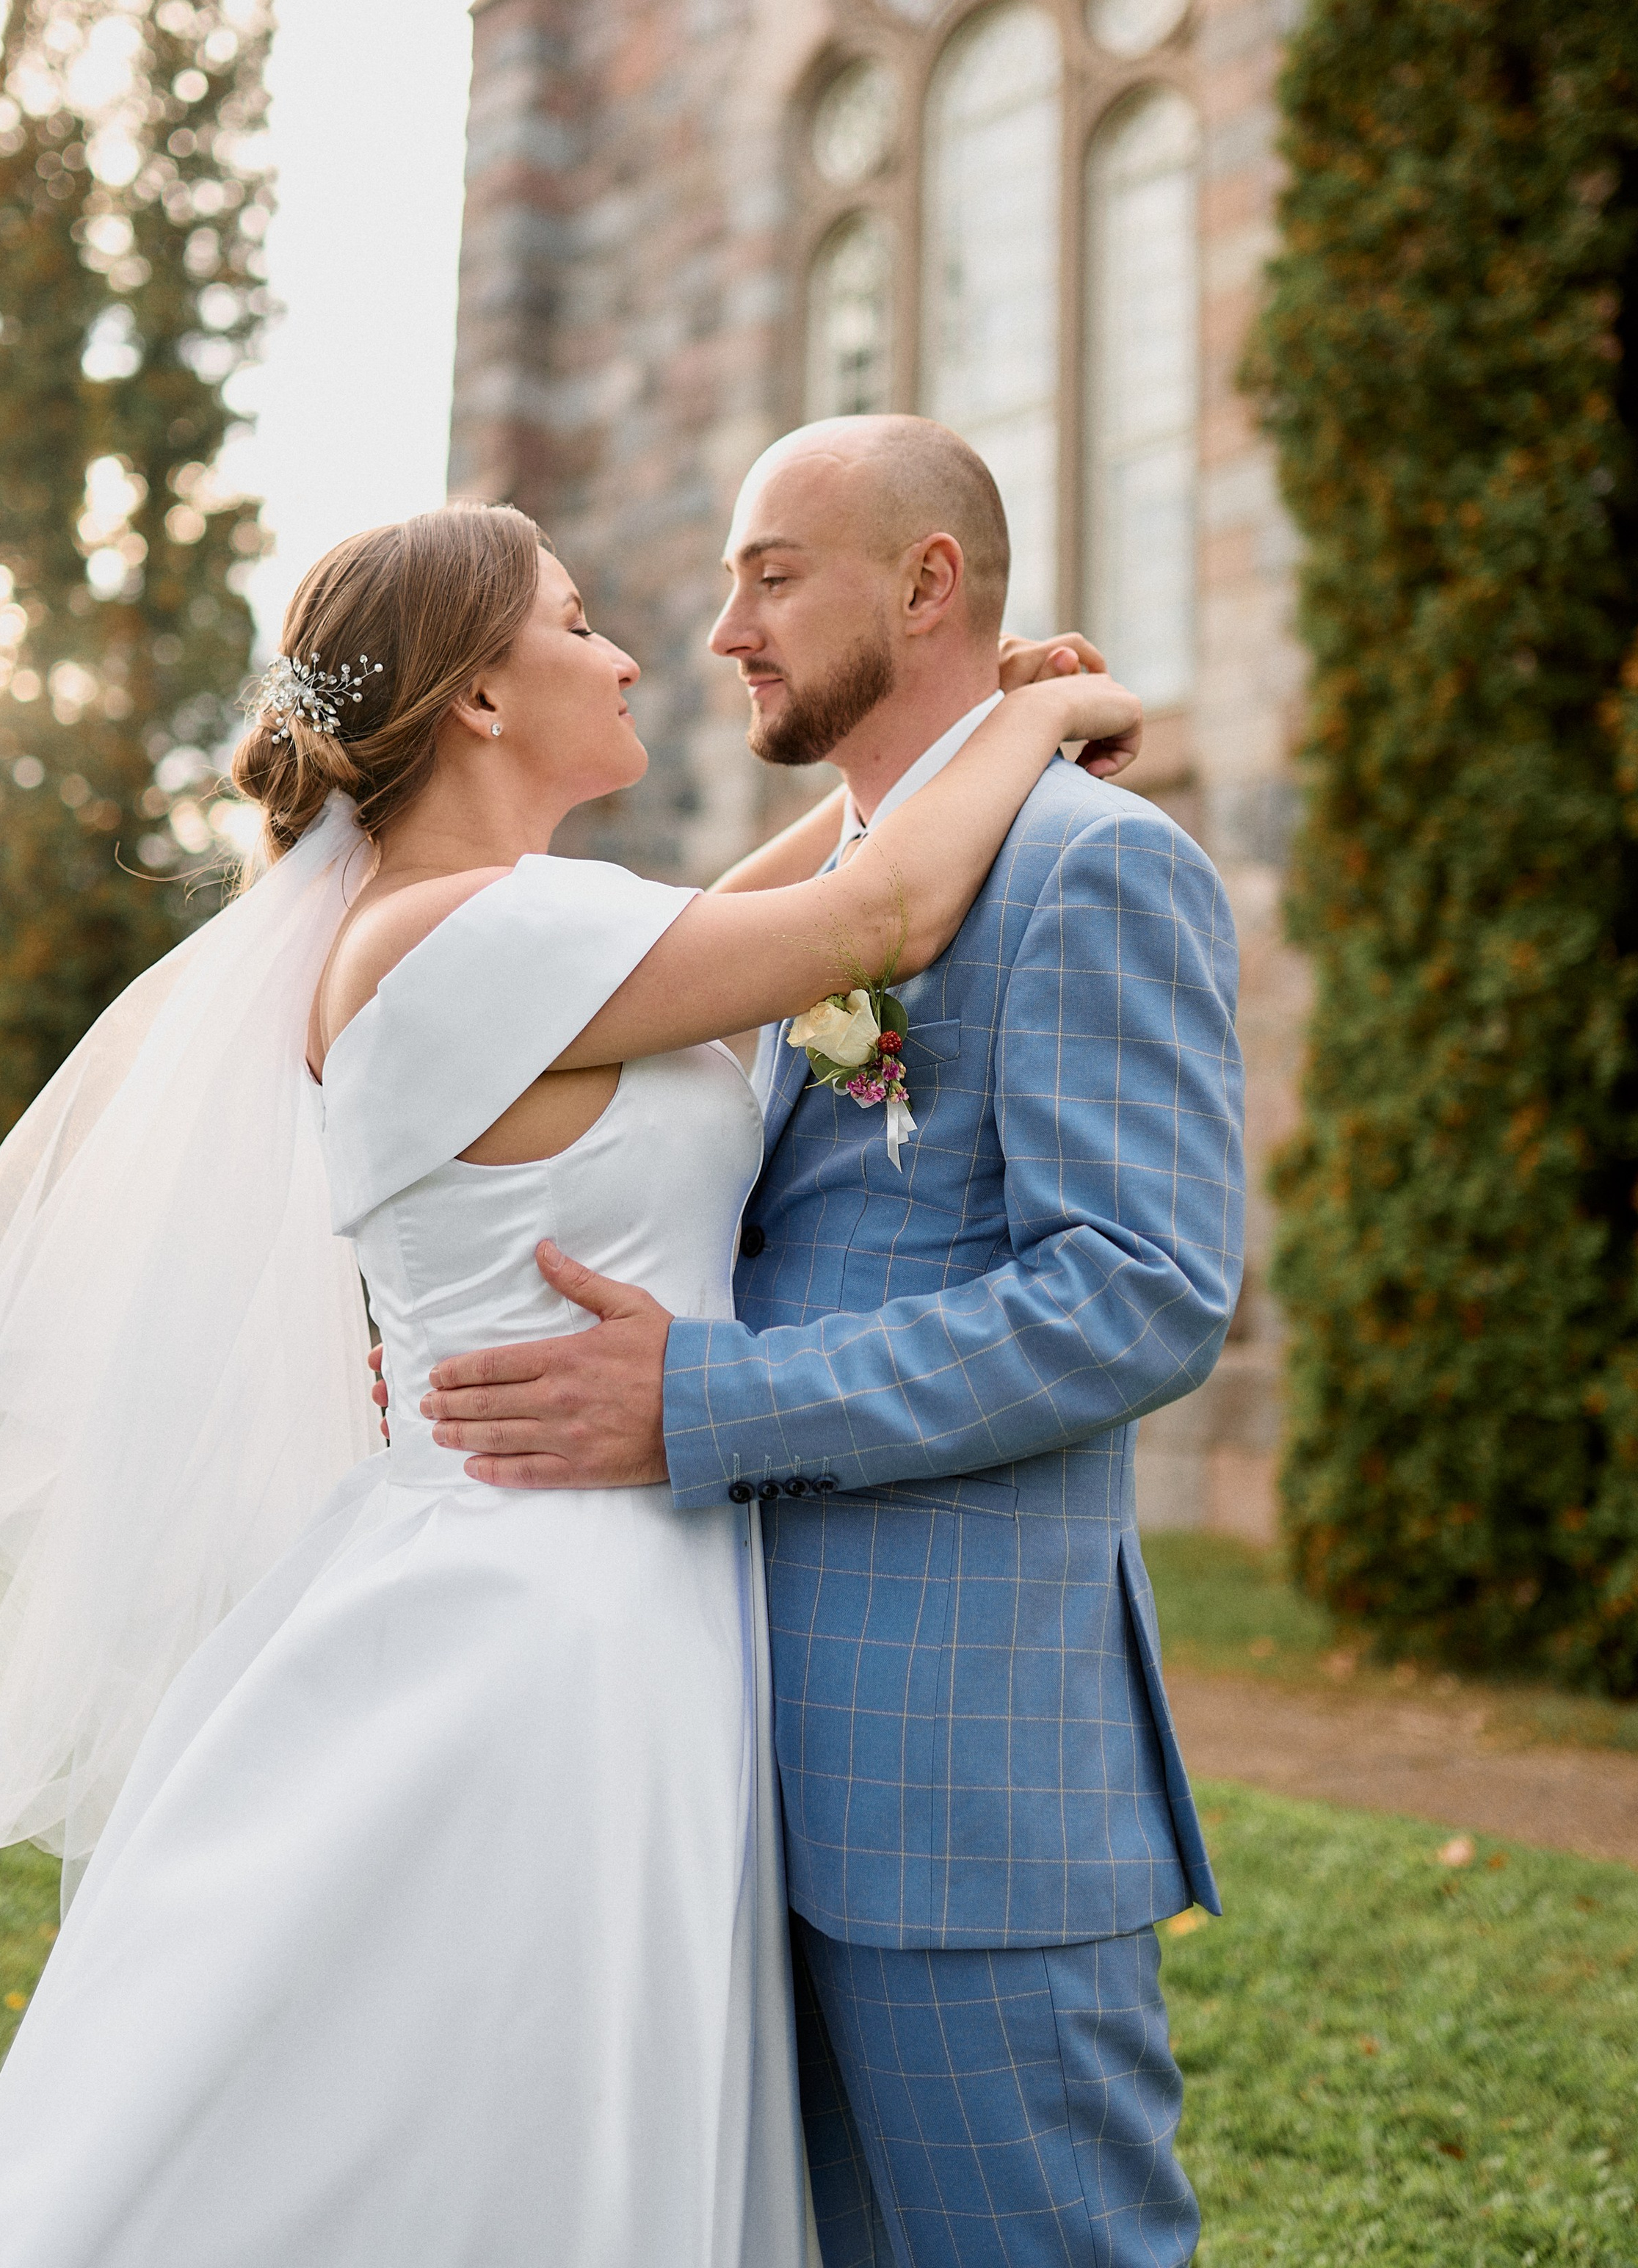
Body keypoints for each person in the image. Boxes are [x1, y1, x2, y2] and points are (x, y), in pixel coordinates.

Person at [0, 496, 1144, 2268]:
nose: (627, 653)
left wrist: (944, 743)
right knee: (500, 2101)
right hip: (554, 1616)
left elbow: (756, 908)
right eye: (580, 620)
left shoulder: (469, 925)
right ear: (476, 695)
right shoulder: (477, 937)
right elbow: (886, 915)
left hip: (552, 1564)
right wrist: (1038, 720)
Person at [416, 419, 1246, 2268]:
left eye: (769, 575)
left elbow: (1142, 1288)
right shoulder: (844, 888)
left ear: (925, 584)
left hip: (957, 1781)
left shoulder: (1091, 867)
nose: (722, 629)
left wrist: (704, 1397)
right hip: (714, 1760)